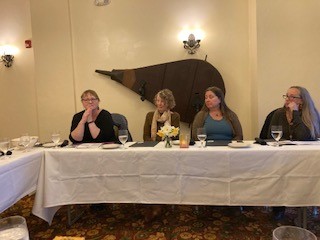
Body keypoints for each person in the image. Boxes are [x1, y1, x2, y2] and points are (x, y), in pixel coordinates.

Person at [267, 86, 320, 220]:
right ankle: (278, 207)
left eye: (292, 96)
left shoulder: (311, 114)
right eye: (286, 96)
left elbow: (303, 136)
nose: (288, 99)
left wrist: (295, 113)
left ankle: (306, 201)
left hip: (305, 158)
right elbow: (271, 136)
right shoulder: (279, 113)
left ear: (302, 100)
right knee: (278, 173)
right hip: (282, 156)